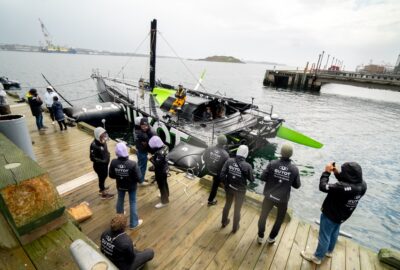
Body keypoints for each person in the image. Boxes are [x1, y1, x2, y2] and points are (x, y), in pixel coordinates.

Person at [301, 162, 367, 265]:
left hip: (330, 214)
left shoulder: (342, 187)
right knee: (335, 231)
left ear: (349, 174)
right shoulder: (362, 185)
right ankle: (329, 251)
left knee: (324, 236)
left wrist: (326, 172)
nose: (342, 173)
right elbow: (347, 183)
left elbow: (323, 186)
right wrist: (336, 172)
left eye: (344, 172)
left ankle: (317, 257)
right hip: (343, 214)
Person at [257, 143, 301, 244]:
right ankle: (271, 238)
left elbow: (262, 177)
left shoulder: (272, 163)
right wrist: (287, 179)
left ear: (281, 152)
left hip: (269, 196)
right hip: (282, 199)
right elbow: (297, 185)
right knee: (279, 219)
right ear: (291, 154)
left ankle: (260, 236)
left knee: (263, 216)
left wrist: (274, 176)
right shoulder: (294, 169)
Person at [109, 142, 143, 229]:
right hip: (131, 186)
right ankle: (134, 224)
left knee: (120, 200)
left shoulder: (113, 162)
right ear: (126, 151)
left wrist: (120, 175)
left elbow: (111, 175)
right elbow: (140, 179)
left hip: (120, 185)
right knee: (133, 202)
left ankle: (119, 221)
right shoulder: (132, 163)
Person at [221, 144, 254, 233]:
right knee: (237, 209)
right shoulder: (248, 166)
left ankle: (224, 222)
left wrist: (226, 184)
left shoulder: (229, 161)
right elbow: (252, 179)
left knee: (227, 204)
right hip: (240, 191)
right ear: (246, 154)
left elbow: (222, 175)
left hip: (229, 187)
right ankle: (235, 228)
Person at [203, 134, 230, 206]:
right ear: (225, 143)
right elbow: (225, 169)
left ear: (217, 140)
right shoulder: (226, 155)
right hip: (217, 173)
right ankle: (210, 200)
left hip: (207, 169)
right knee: (215, 186)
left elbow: (204, 158)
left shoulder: (209, 148)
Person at [90, 127, 114, 199]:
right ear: (98, 135)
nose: (104, 135)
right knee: (101, 178)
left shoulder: (103, 140)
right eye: (102, 134)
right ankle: (103, 193)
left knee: (104, 176)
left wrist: (108, 154)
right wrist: (103, 161)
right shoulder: (94, 145)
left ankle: (102, 187)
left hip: (105, 165)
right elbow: (92, 158)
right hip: (99, 166)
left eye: (104, 133)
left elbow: (105, 150)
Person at [148, 136, 170, 209]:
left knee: (161, 185)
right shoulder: (165, 146)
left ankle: (165, 201)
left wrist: (150, 158)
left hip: (160, 171)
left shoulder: (158, 153)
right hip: (166, 168)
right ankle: (166, 194)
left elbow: (156, 164)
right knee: (165, 182)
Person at [135, 117, 154, 183]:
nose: (145, 127)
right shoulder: (142, 134)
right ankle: (141, 180)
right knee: (142, 166)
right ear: (140, 125)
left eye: (146, 126)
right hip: (142, 152)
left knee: (139, 165)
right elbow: (149, 143)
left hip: (139, 150)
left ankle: (139, 177)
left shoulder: (136, 130)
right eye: (143, 126)